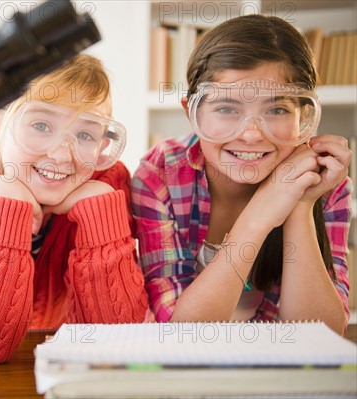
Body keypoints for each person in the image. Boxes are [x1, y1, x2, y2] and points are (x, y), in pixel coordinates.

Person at [132, 14, 352, 334]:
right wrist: (259, 215)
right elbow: (181, 333)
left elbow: (321, 335)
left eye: (276, 110)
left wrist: (300, 206)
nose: (251, 134)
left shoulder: (325, 183)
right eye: (226, 108)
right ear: (191, 113)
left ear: (304, 116)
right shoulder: (160, 175)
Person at [0, 54, 148, 363]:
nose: (59, 155)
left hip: (56, 337)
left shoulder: (108, 181)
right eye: (41, 125)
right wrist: (3, 202)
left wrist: (97, 209)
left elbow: (115, 338)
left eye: (84, 135)